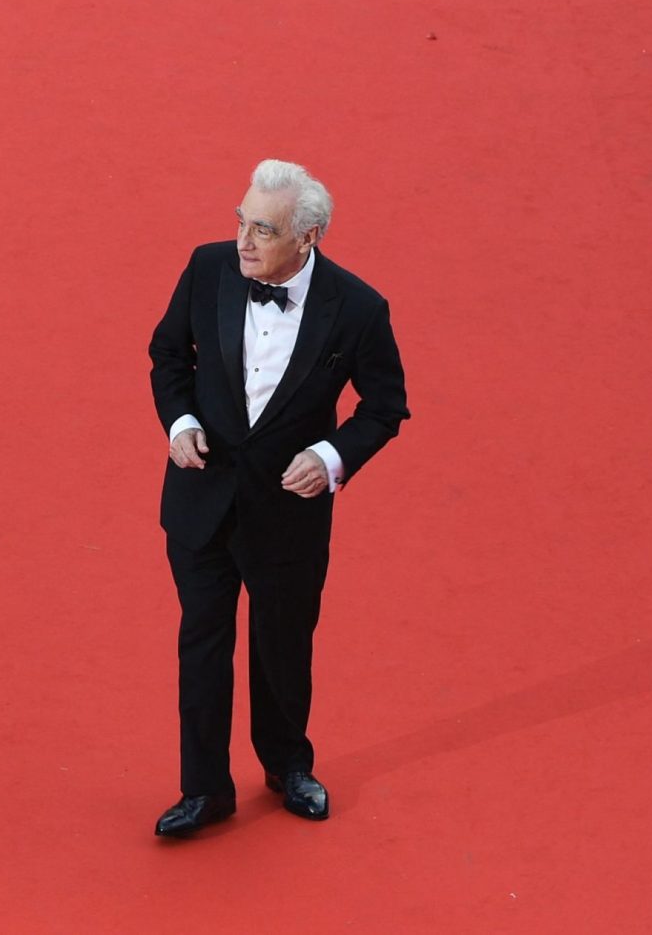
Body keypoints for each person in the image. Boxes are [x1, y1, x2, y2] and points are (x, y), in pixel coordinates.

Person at [146, 159, 407, 838]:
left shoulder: (356, 308)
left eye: (263, 229)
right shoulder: (207, 268)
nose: (243, 240)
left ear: (307, 236)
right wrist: (180, 423)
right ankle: (203, 789)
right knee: (202, 643)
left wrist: (330, 458)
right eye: (240, 220)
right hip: (203, 500)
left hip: (288, 515)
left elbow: (384, 406)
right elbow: (169, 356)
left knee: (282, 644)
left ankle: (288, 763)